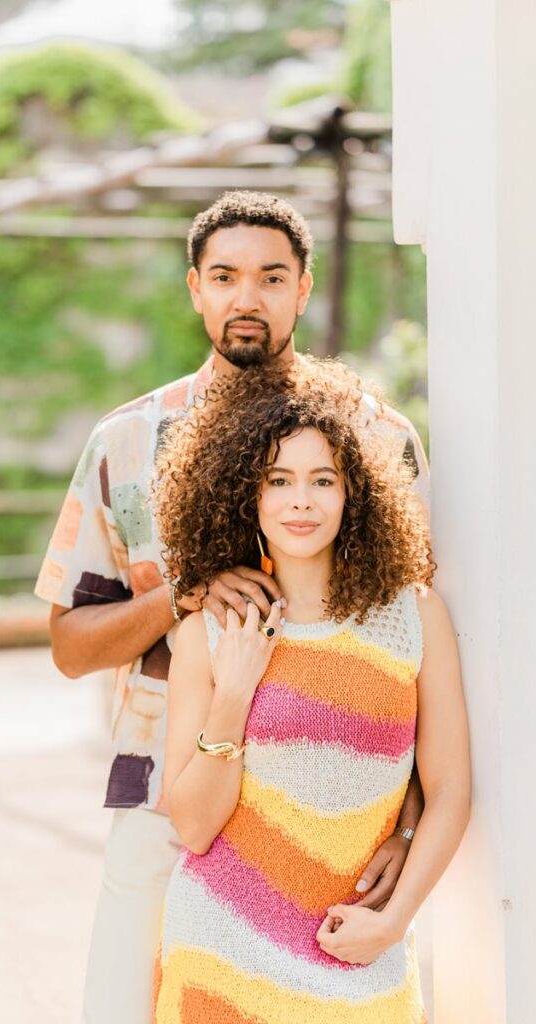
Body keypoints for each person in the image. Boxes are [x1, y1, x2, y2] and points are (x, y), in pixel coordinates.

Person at [34, 191, 430, 1024]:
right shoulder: (125, 444)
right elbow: (72, 645)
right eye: (224, 277)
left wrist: (410, 822)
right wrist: (179, 597)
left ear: (304, 288)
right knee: (121, 1009)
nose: (246, 297)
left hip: (336, 813)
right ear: (194, 289)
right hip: (161, 796)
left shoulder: (379, 441)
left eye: (269, 277)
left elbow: (421, 635)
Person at [153, 361, 470, 1023]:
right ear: (246, 496)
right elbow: (191, 822)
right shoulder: (206, 635)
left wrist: (394, 920)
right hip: (221, 955)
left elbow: (448, 791)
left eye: (322, 480)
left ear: (353, 493)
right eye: (278, 481)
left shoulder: (411, 616)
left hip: (357, 944)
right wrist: (234, 692)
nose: (301, 501)